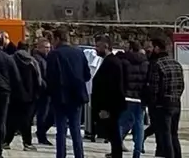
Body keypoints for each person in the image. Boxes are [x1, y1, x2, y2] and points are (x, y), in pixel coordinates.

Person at [45, 27, 90, 158]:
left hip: (60, 96)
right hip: (77, 95)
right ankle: (79, 155)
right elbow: (87, 75)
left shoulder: (54, 54)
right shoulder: (79, 53)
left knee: (61, 130)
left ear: (58, 39)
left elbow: (50, 76)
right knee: (75, 128)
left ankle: (61, 155)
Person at [144, 37, 184, 158]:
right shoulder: (176, 64)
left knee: (165, 135)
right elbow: (181, 85)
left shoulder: (157, 65)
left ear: (157, 48)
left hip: (162, 104)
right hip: (176, 102)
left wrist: (153, 103)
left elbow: (154, 88)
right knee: (174, 134)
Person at [0, 32, 22, 158]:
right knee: (1, 121)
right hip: (4, 93)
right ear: (2, 44)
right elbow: (16, 78)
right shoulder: (8, 58)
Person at [93, 36, 128, 158]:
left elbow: (111, 87)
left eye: (98, 46)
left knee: (113, 132)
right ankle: (115, 153)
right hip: (110, 105)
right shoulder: (109, 61)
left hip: (110, 105)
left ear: (106, 46)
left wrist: (105, 108)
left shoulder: (112, 62)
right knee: (112, 133)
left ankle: (117, 154)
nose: (95, 49)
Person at [120, 40, 150, 158]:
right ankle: (137, 151)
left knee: (121, 123)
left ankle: (117, 146)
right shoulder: (146, 63)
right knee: (139, 125)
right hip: (140, 98)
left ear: (131, 49)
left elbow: (122, 79)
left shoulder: (125, 61)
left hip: (127, 96)